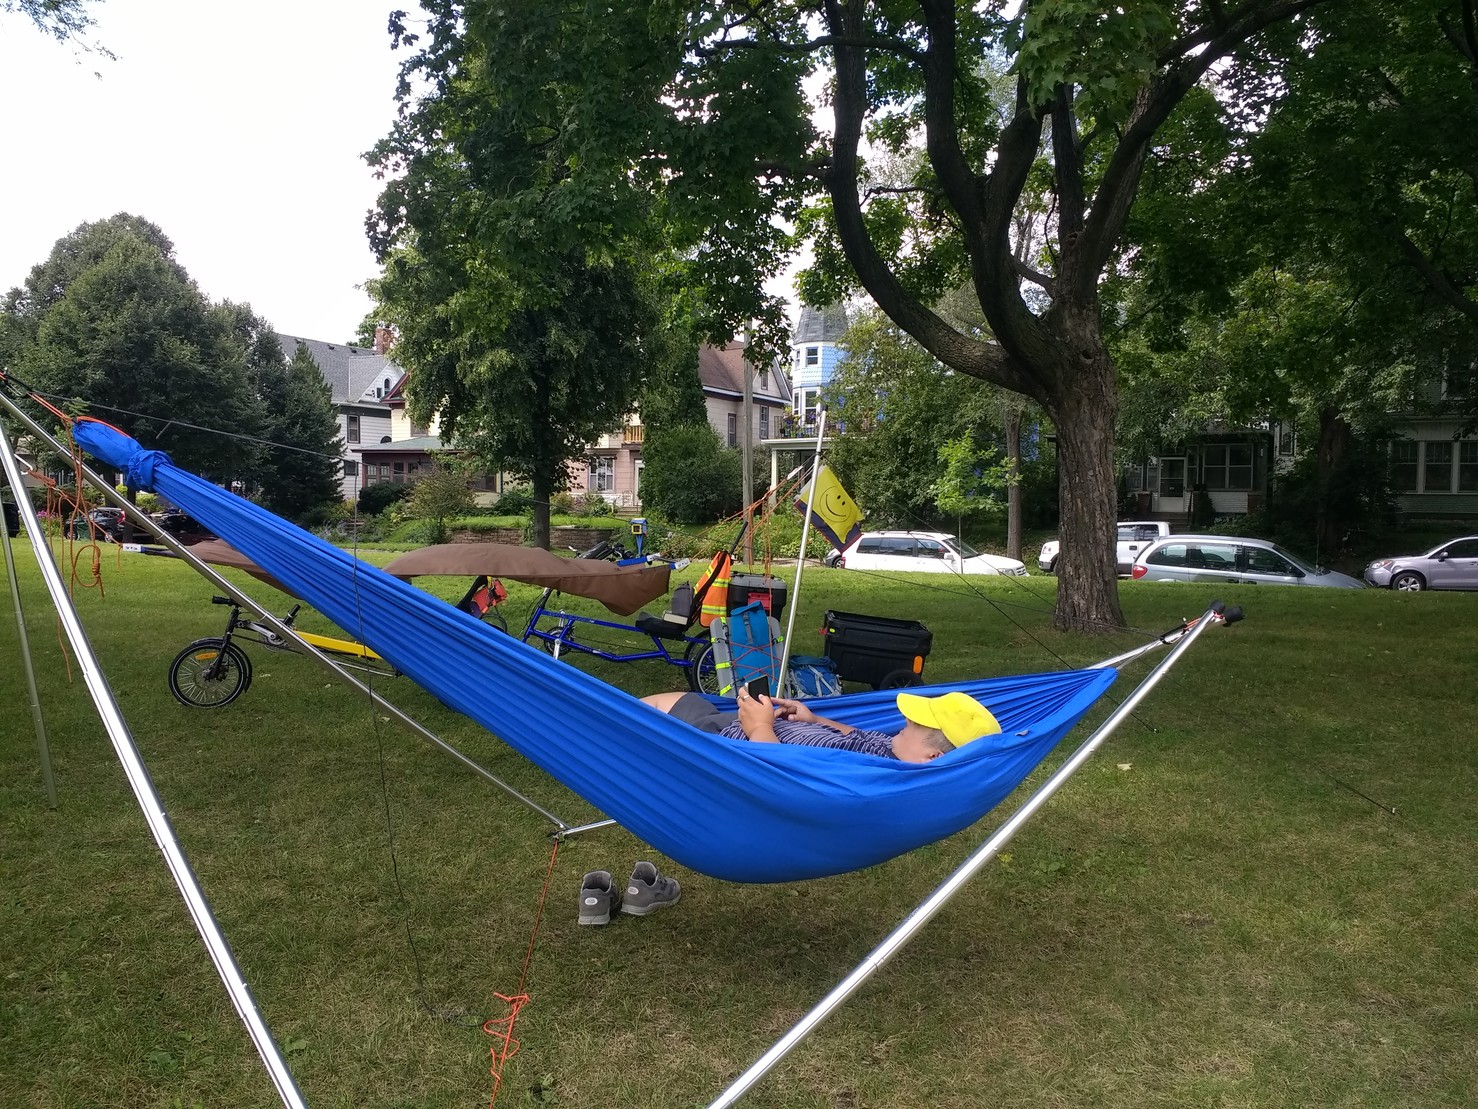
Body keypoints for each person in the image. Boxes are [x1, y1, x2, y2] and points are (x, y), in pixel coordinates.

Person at [640, 687, 1001, 763]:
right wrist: (813, 719)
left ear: (933, 756)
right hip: (751, 727)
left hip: (726, 742)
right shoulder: (891, 749)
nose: (904, 722)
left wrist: (760, 728)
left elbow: (782, 776)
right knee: (673, 699)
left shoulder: (875, 774)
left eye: (916, 725)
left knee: (649, 709)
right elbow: (854, 735)